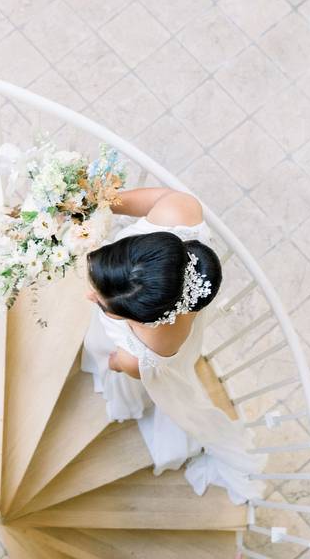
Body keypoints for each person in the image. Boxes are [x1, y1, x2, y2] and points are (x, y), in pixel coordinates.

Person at [81, 186, 266, 505]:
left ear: (141, 319)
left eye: (102, 303)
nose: (89, 296)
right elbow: (145, 200)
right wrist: (92, 204)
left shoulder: (148, 347)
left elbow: (120, 363)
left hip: (155, 357)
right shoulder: (179, 213)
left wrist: (111, 362)